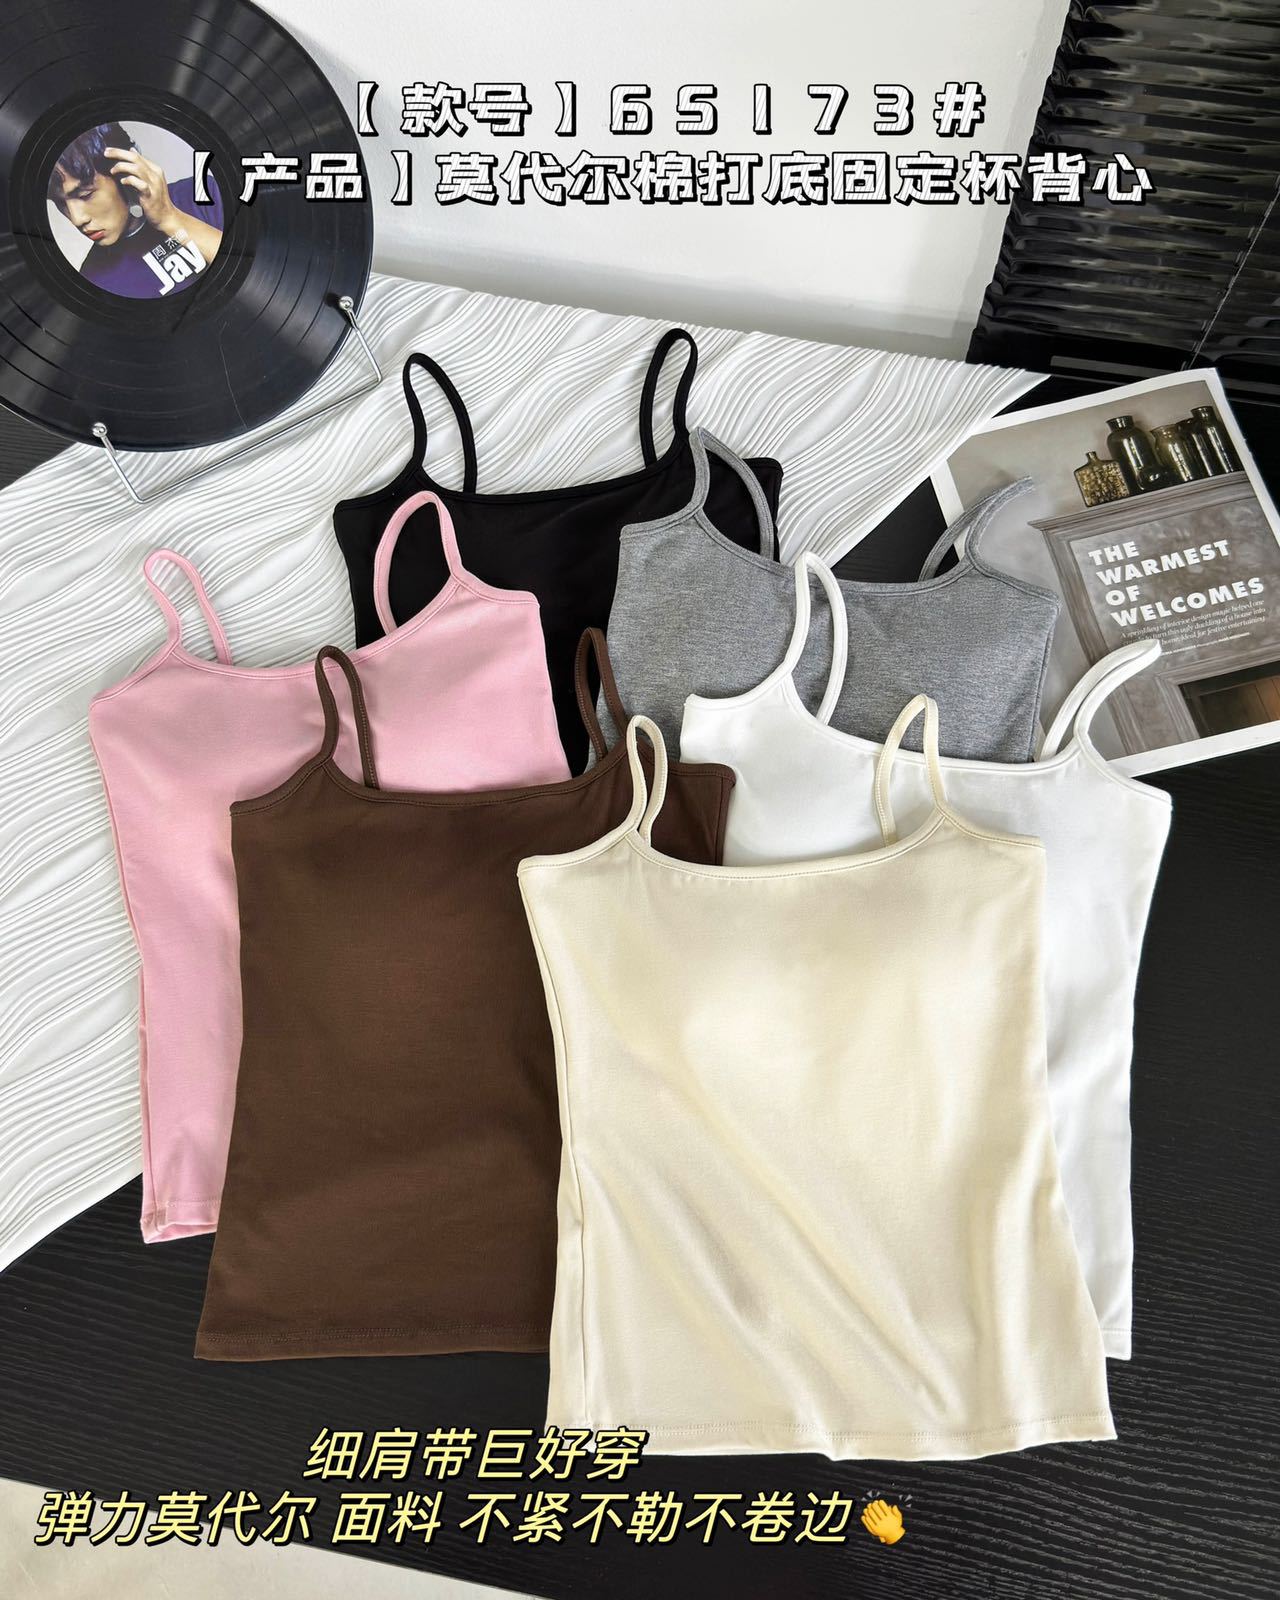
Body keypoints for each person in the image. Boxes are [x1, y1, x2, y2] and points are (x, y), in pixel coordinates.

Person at [47, 123, 225, 300]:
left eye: (85, 195)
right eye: (60, 203)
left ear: (124, 171)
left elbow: (242, 268)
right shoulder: (92, 283)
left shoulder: (200, 194)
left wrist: (170, 218)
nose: (77, 219)